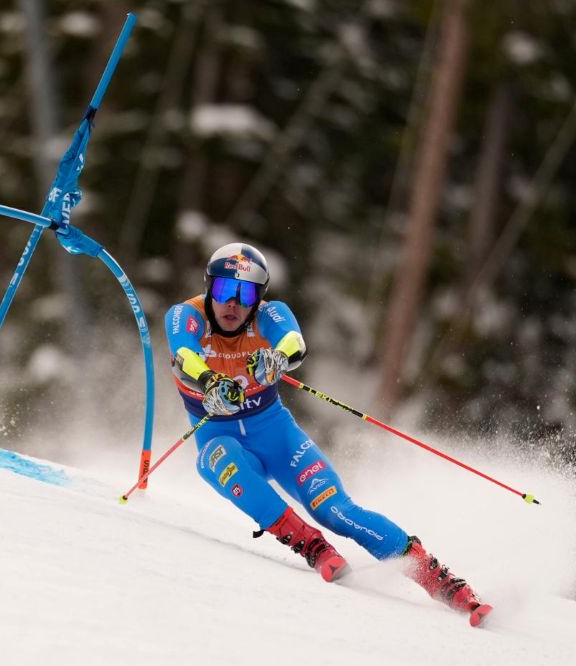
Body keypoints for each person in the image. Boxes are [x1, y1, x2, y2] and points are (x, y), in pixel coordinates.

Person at [164, 242, 492, 626]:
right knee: (220, 458)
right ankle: (313, 547)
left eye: (246, 293)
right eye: (223, 291)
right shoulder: (186, 315)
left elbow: (293, 342)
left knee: (335, 509)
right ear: (209, 288)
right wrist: (209, 382)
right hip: (218, 435)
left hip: (275, 434)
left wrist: (277, 359)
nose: (233, 304)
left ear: (259, 297)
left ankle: (443, 582)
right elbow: (184, 354)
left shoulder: (269, 314)